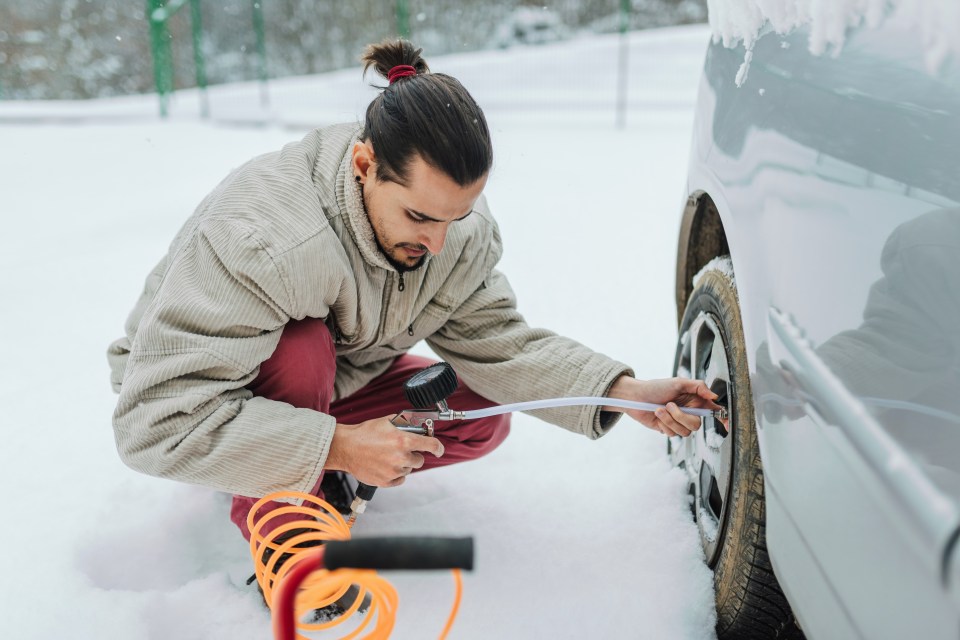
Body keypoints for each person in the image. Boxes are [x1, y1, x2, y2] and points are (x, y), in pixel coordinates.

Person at [107, 39, 721, 545]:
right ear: (364, 165)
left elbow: (499, 345)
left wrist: (622, 391)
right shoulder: (267, 241)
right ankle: (285, 532)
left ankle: (314, 468)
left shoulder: (449, 234)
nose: (436, 244)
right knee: (302, 348)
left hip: (335, 380)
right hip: (209, 389)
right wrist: (340, 445)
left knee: (478, 410)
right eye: (421, 217)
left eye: (457, 217)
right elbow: (153, 422)